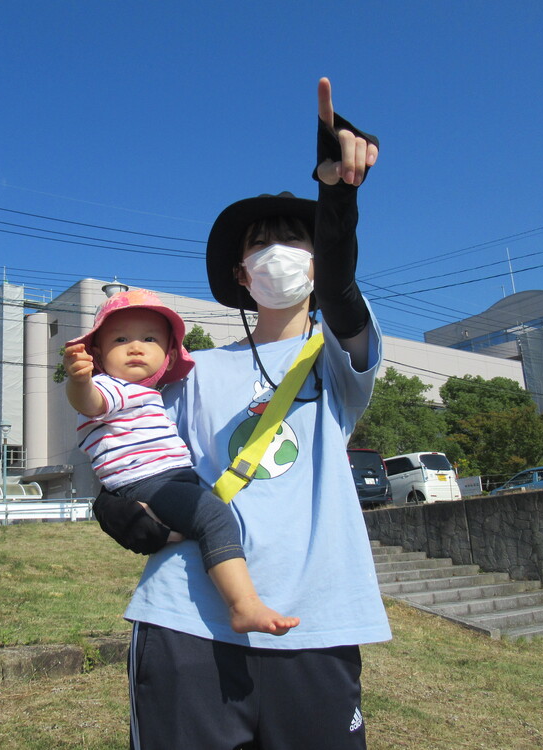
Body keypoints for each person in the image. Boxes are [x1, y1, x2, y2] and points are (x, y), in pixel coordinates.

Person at [110, 78, 393, 750]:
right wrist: (121, 512)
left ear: (318, 258)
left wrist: (337, 196)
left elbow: (346, 292)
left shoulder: (339, 361)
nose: (278, 252)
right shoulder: (190, 371)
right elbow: (135, 467)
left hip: (315, 623)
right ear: (241, 274)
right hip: (188, 622)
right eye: (261, 243)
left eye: (296, 239)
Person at [63, 288, 300, 636]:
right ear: (98, 354)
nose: (135, 346)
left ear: (170, 357)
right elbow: (90, 402)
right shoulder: (112, 387)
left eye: (148, 338)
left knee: (204, 516)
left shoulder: (148, 393)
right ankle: (243, 604)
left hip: (164, 479)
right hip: (149, 481)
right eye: (121, 339)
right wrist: (79, 380)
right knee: (214, 515)